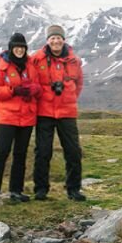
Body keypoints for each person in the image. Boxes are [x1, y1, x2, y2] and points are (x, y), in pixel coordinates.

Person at [31, 25, 86, 201]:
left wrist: (68, 97)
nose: (56, 41)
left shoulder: (74, 61)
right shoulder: (36, 59)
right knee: (43, 152)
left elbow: (79, 85)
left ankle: (74, 189)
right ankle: (41, 189)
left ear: (64, 40)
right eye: (52, 38)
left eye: (59, 38)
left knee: (73, 151)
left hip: (67, 112)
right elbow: (31, 82)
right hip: (44, 112)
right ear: (47, 40)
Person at [0, 33, 42, 203]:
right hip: (7, 118)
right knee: (1, 152)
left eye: (22, 47)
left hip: (27, 117)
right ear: (11, 48)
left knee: (20, 154)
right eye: (16, 47)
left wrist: (33, 90)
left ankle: (16, 191)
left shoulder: (31, 65)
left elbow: (38, 87)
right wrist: (13, 90)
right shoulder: (1, 66)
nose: (19, 49)